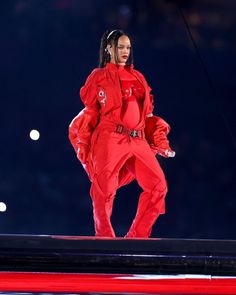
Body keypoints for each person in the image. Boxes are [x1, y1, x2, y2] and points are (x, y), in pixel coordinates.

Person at [68, 29, 175, 238]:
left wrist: (159, 137)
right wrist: (83, 139)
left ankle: (137, 237)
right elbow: (90, 109)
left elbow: (148, 113)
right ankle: (105, 238)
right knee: (104, 188)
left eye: (128, 47)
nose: (125, 51)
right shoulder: (98, 76)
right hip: (110, 137)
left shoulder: (138, 76)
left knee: (158, 186)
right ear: (109, 49)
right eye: (120, 47)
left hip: (138, 138)